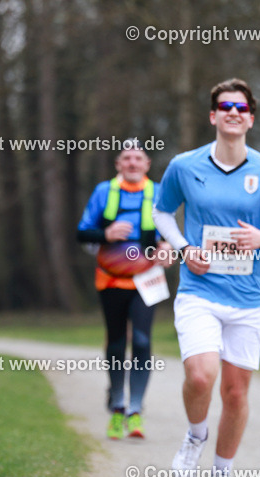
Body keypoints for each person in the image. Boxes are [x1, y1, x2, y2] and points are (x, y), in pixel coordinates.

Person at [153, 78, 260, 477]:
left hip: (250, 298)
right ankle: (195, 434)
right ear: (213, 116)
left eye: (241, 107)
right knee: (200, 376)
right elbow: (162, 213)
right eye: (225, 106)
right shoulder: (185, 165)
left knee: (236, 393)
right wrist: (184, 249)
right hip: (199, 289)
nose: (233, 112)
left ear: (250, 118)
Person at [77, 145, 172, 440]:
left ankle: (135, 410)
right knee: (117, 343)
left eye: (138, 158)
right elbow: (82, 232)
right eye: (127, 158)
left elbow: (172, 232)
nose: (132, 162)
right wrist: (105, 234)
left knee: (142, 340)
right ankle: (117, 406)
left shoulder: (158, 192)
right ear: (118, 163)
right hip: (111, 279)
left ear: (147, 164)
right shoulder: (104, 192)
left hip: (147, 280)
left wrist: (168, 245)